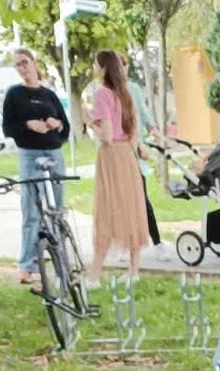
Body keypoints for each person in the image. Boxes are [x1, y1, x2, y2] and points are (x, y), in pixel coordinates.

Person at [1, 48, 67, 286]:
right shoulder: (14, 94)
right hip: (29, 154)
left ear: (34, 62)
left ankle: (61, 262)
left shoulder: (49, 95)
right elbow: (8, 128)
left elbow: (66, 127)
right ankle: (27, 265)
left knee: (56, 209)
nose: (22, 68)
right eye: (17, 65)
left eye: (25, 62)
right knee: (31, 209)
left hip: (53, 152)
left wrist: (56, 124)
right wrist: (28, 125)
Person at [87, 49, 150, 282]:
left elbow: (106, 136)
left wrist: (89, 121)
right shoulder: (125, 94)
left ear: (103, 68)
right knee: (132, 208)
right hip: (127, 156)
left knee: (107, 210)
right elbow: (133, 133)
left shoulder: (102, 93)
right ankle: (134, 270)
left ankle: (94, 275)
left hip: (110, 156)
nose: (94, 68)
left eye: (96, 64)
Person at [122, 55, 161, 248]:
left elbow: (143, 112)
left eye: (124, 65)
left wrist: (153, 128)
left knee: (142, 199)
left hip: (136, 152)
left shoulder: (134, 89)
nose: (121, 70)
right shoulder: (107, 93)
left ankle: (157, 243)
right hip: (119, 154)